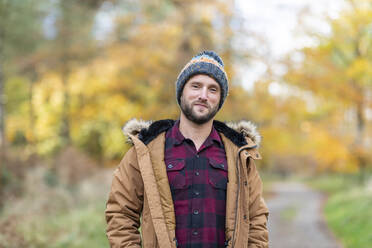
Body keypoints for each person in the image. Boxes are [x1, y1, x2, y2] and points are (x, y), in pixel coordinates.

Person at [105, 51, 269, 248]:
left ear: (220, 99)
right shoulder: (145, 151)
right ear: (181, 91)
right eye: (196, 86)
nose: (203, 95)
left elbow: (256, 219)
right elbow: (121, 214)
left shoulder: (239, 155)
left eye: (213, 89)